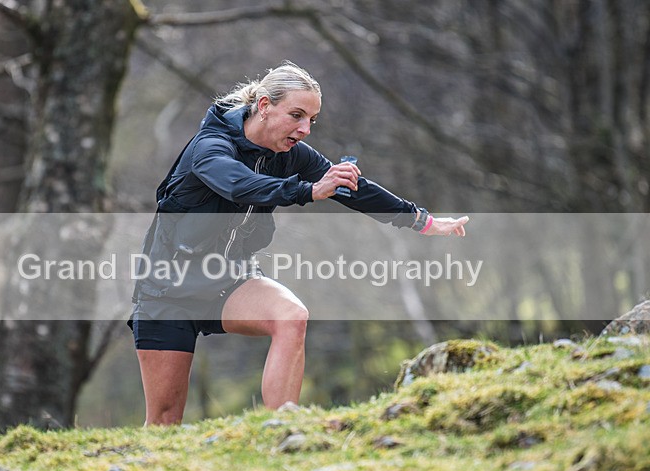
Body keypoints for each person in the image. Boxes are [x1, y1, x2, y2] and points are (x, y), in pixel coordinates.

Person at [129, 61, 469, 425]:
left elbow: (352, 189)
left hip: (228, 280)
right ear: (263, 106)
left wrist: (422, 220)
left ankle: (283, 432)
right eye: (296, 115)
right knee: (165, 421)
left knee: (291, 317)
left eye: (312, 119)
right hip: (167, 290)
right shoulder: (210, 147)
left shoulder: (290, 154)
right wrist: (307, 190)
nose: (305, 129)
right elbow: (239, 184)